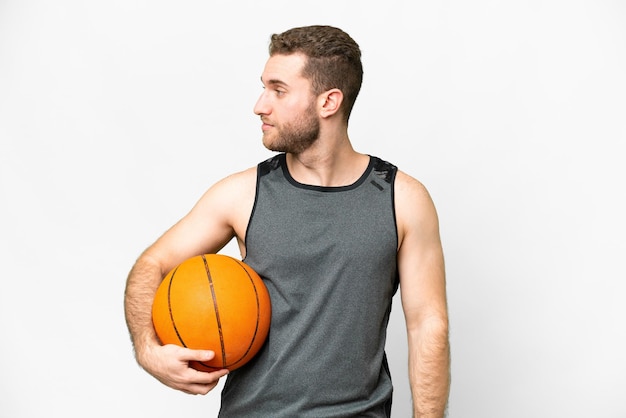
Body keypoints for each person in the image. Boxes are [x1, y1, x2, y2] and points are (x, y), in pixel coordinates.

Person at [124, 25, 450, 417]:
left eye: (278, 91)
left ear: (329, 102)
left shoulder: (403, 199)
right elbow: (152, 265)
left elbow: (427, 326)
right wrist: (148, 350)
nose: (260, 105)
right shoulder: (241, 194)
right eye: (264, 88)